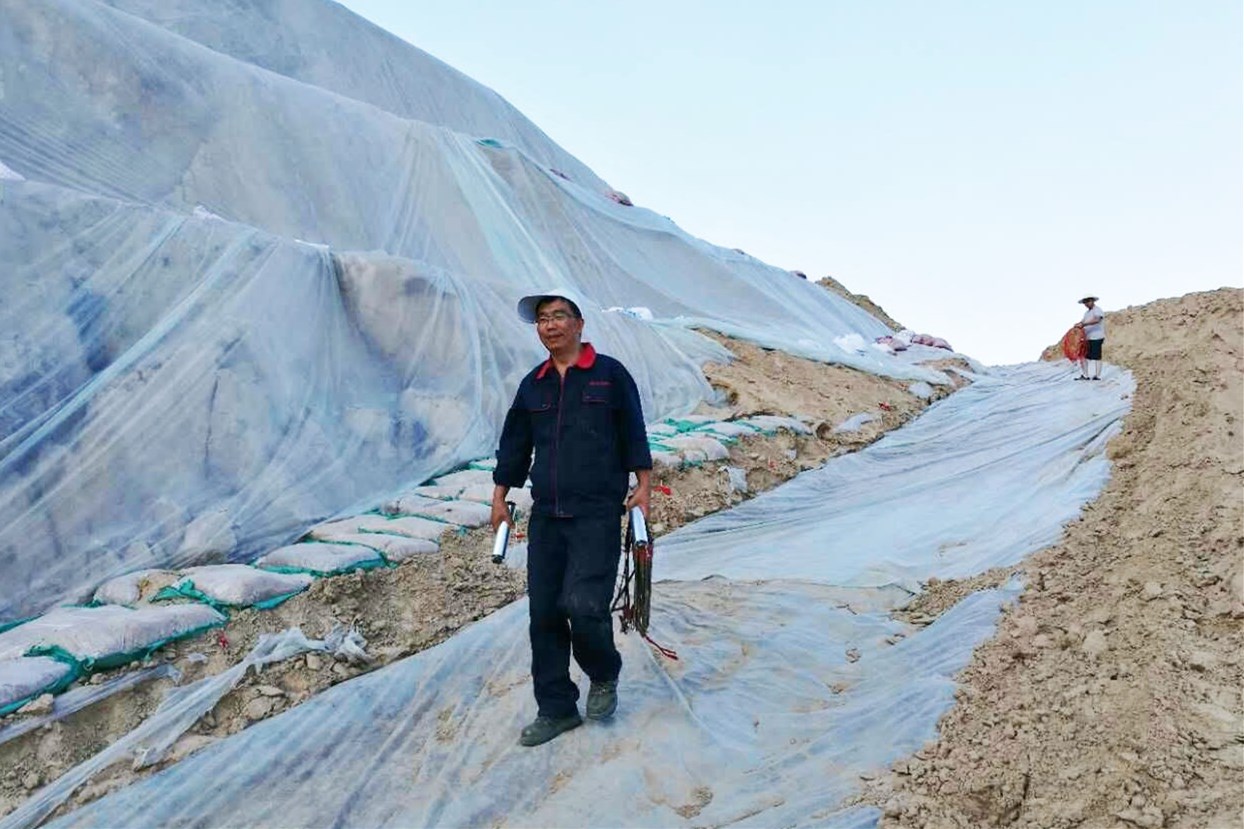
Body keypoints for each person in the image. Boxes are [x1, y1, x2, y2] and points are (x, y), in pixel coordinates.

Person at [491, 287, 653, 747]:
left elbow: (634, 432)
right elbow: (515, 445)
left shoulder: (609, 375)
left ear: (579, 324)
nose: (550, 325)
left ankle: (603, 673)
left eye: (559, 316)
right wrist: (500, 497)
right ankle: (556, 709)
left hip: (595, 513)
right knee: (543, 614)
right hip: (547, 516)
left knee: (583, 605)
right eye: (543, 319)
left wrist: (643, 486)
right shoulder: (534, 384)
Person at [1074, 296, 1106, 380]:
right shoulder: (1087, 313)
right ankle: (1085, 375)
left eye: (1088, 301)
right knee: (1084, 356)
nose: (1086, 303)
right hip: (1088, 337)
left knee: (1096, 356)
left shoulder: (1097, 310)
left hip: (1096, 336)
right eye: (1085, 302)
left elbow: (1097, 320)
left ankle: (1097, 376)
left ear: (1092, 301)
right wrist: (1078, 324)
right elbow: (1083, 321)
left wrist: (1084, 324)